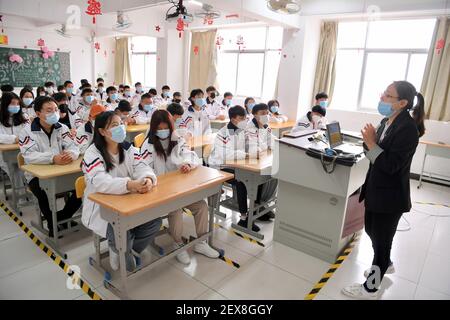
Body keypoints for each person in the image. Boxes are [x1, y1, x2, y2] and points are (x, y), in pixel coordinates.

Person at [342, 81, 425, 300]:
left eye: (388, 95)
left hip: (390, 197)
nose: (382, 98)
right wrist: (367, 143)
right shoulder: (386, 121)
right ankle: (385, 263)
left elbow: (389, 165)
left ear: (402, 103)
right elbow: (374, 157)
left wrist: (371, 143)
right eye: (384, 93)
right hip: (376, 190)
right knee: (371, 231)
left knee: (381, 243)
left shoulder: (408, 130)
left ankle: (370, 288)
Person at [81, 111, 161, 272]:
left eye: (121, 123)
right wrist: (130, 184)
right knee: (119, 229)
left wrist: (147, 179)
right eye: (114, 125)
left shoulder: (128, 148)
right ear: (102, 131)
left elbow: (142, 167)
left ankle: (127, 249)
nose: (120, 128)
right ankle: (118, 248)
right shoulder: (92, 153)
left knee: (154, 222)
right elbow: (101, 182)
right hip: (102, 206)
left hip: (129, 200)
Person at [140, 110, 219, 264]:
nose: (163, 132)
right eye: (160, 128)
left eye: (166, 128)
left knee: (202, 206)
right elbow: (144, 169)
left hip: (179, 189)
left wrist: (187, 164)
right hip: (159, 193)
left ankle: (201, 243)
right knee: (175, 209)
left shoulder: (177, 139)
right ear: (154, 128)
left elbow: (189, 154)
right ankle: (178, 244)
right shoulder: (147, 146)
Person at [19, 96, 81, 238]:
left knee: (81, 188)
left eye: (55, 109)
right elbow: (28, 155)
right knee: (43, 194)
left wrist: (71, 155)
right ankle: (53, 224)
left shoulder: (62, 127)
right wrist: (53, 158)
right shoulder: (27, 132)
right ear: (38, 113)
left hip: (62, 170)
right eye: (49, 110)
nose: (54, 113)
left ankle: (61, 218)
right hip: (36, 175)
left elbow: (73, 146)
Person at [0, 92, 29, 186]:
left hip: (23, 150)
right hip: (5, 154)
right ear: (5, 104)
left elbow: (29, 132)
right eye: (12, 103)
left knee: (28, 170)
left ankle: (31, 192)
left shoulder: (23, 117)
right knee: (15, 171)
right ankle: (20, 197)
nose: (16, 106)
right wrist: (14, 139)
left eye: (17, 104)